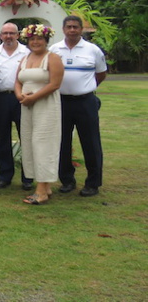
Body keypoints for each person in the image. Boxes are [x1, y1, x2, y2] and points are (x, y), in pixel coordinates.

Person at [49, 15, 108, 197]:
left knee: (90, 142)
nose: (72, 30)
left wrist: (85, 87)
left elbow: (101, 74)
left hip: (85, 102)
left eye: (75, 27)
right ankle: (67, 181)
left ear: (81, 29)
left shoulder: (93, 50)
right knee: (62, 142)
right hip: (61, 102)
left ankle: (93, 183)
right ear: (63, 29)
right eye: (69, 27)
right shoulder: (54, 49)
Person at [15, 24, 64, 205]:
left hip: (46, 105)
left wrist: (33, 97)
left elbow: (55, 84)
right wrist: (20, 95)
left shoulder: (53, 58)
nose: (35, 42)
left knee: (43, 143)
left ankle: (41, 190)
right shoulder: (25, 59)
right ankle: (45, 186)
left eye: (39, 39)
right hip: (27, 106)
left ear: (46, 40)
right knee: (28, 142)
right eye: (32, 39)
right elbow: (17, 81)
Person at [0, 22, 32, 190]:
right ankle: (5, 176)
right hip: (0, 98)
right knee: (2, 138)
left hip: (22, 99)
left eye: (11, 33)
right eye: (5, 33)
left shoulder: (27, 53)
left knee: (26, 137)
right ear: (0, 36)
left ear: (18, 35)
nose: (8, 36)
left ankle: (28, 176)